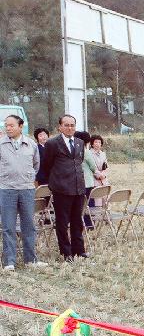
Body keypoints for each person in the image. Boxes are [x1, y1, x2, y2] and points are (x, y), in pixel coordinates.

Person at [0, 115, 46, 269]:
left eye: (11, 125)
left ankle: (30, 260)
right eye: (6, 125)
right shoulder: (1, 144)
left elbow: (36, 165)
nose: (8, 128)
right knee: (8, 227)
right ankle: (9, 262)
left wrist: (28, 177)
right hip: (7, 190)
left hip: (26, 189)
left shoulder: (31, 144)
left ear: (20, 126)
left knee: (29, 225)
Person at [40, 114, 87, 261]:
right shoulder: (52, 143)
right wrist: (57, 180)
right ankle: (66, 253)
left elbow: (79, 161)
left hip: (78, 188)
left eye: (72, 125)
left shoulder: (79, 142)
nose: (69, 128)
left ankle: (79, 250)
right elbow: (47, 165)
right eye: (66, 125)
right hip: (61, 188)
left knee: (77, 221)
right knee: (62, 222)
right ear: (60, 127)